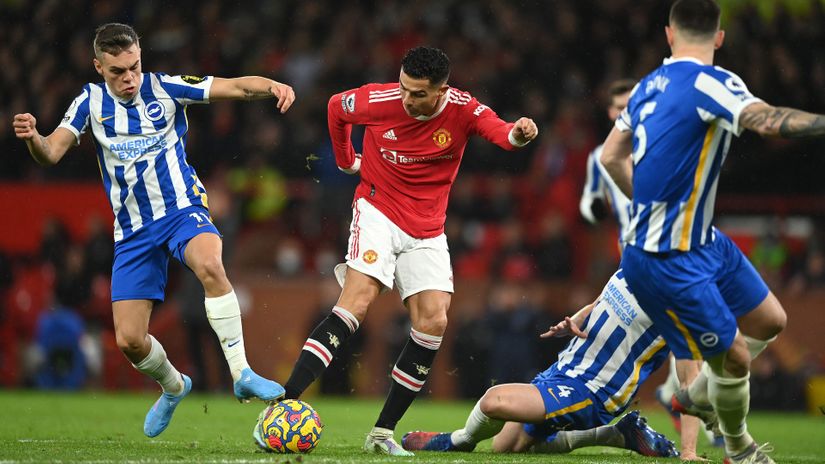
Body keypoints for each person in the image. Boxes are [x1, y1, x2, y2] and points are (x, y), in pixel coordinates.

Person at [12, 23, 296, 438]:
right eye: (117, 72)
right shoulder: (88, 103)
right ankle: (175, 386)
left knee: (210, 264)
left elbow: (234, 87)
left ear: (141, 57)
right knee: (130, 340)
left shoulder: (166, 88)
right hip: (132, 231)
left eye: (134, 67)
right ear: (98, 67)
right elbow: (50, 152)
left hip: (182, 209)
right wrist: (34, 138)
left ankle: (242, 372)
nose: (128, 79)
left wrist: (272, 84)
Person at [281, 46, 538, 456]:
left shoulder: (463, 109)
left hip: (428, 228)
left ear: (442, 91)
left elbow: (502, 133)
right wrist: (348, 160)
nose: (406, 99)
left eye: (418, 93)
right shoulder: (379, 100)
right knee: (357, 302)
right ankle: (284, 403)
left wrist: (518, 134)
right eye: (403, 88)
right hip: (378, 208)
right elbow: (335, 108)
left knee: (434, 321)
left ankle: (382, 433)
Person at [600, 0, 825, 461]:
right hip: (665, 258)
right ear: (719, 37)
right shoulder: (715, 83)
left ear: (669, 34)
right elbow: (766, 121)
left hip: (703, 242)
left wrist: (645, 201)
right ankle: (739, 449)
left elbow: (609, 157)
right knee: (738, 358)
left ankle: (691, 395)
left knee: (771, 321)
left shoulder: (645, 87)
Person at [401, 270, 679, 459]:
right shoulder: (636, 260)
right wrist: (579, 317)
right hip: (567, 368)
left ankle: (456, 441)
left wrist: (689, 449)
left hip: (594, 391)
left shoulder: (681, 295)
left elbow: (690, 361)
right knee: (507, 447)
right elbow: (603, 299)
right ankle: (619, 434)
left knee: (493, 401)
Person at [581, 78, 713, 457]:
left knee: (689, 350)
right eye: (620, 106)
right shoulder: (601, 156)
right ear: (611, 113)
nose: (628, 112)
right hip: (634, 259)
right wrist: (595, 211)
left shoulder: (666, 143)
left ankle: (688, 442)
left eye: (632, 105)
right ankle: (592, 413)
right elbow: (592, 201)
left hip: (672, 253)